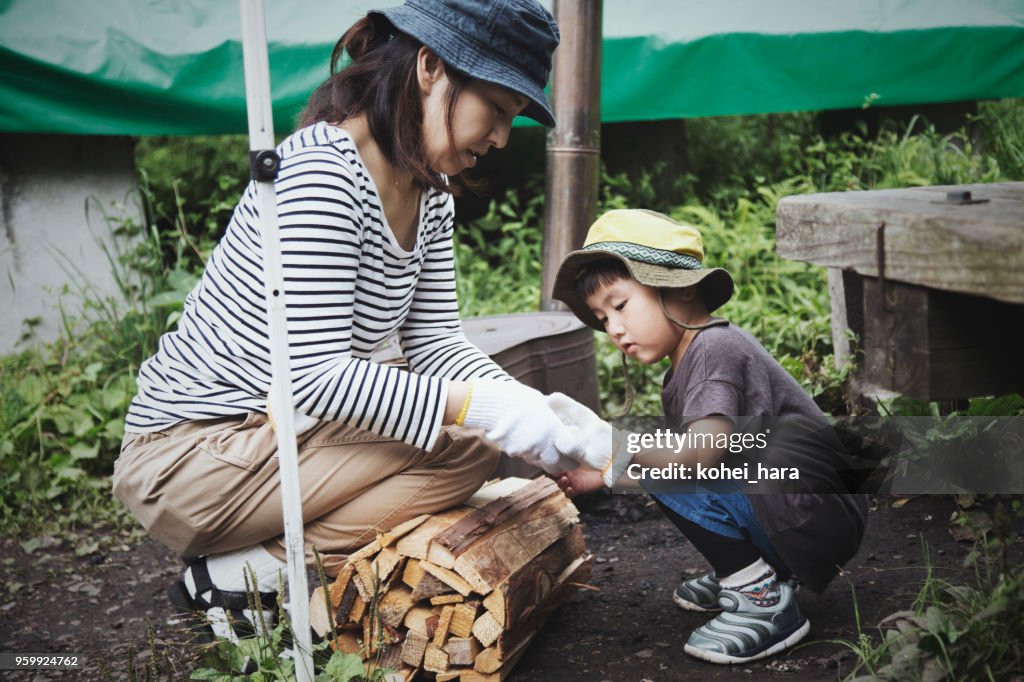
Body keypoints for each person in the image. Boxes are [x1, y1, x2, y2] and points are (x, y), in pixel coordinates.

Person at [112, 0, 598, 647]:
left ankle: (252, 563)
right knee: (469, 432)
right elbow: (313, 377)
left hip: (277, 432)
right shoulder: (320, 173)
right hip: (192, 457)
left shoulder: (429, 193)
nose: (503, 137)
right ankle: (253, 570)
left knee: (471, 432)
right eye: (500, 108)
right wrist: (490, 410)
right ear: (430, 66)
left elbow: (433, 342)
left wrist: (530, 406)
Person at [549, 209, 869, 664]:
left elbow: (698, 459)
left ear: (678, 286)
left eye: (619, 305)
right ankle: (760, 568)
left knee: (668, 461)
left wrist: (611, 445)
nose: (613, 329)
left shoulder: (712, 351)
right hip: (811, 511)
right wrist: (600, 475)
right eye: (602, 318)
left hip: (814, 514)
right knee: (661, 457)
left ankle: (761, 598)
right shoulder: (693, 358)